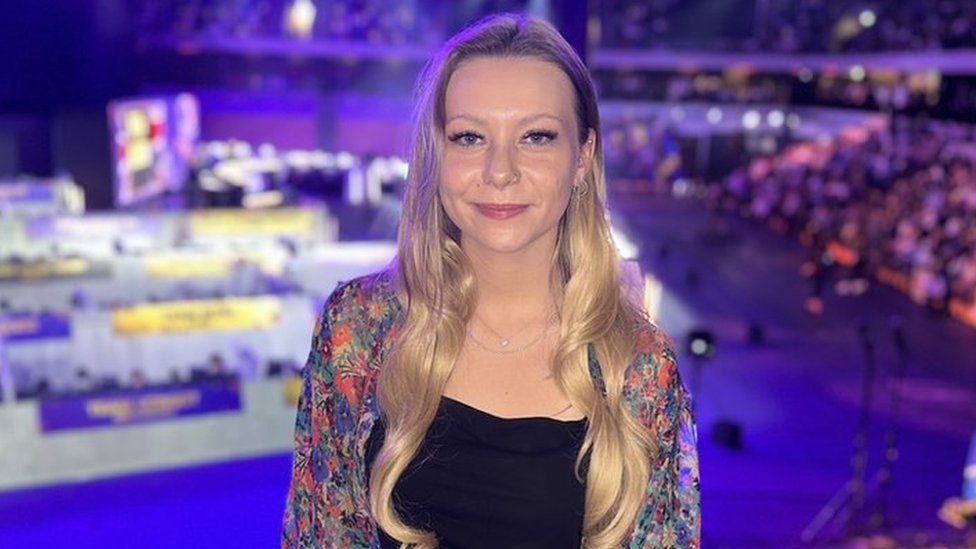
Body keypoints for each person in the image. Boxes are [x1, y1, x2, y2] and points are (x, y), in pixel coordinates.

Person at [282, 13, 699, 548]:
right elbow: (319, 532)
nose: (500, 171)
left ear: (582, 157)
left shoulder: (639, 365)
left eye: (536, 136)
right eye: (470, 137)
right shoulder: (357, 329)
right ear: (438, 153)